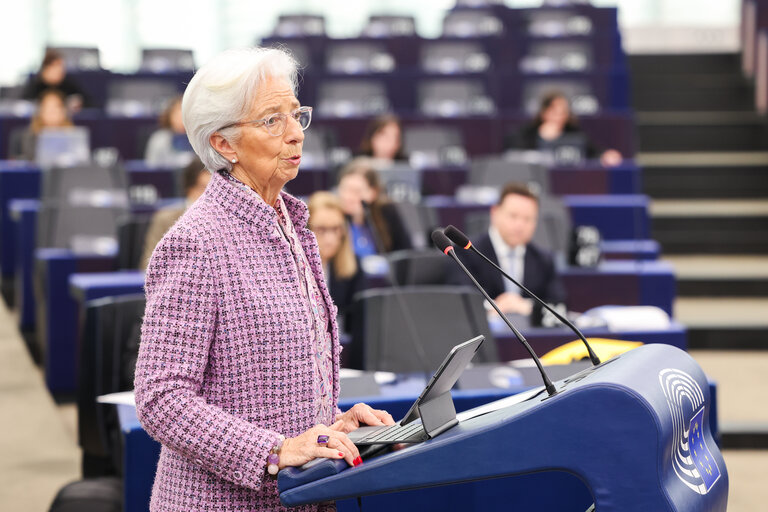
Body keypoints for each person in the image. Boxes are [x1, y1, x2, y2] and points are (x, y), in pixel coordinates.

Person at [134, 47, 394, 511]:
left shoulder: (290, 224)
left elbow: (270, 392)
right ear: (224, 144)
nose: (296, 134)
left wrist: (333, 423)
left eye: (296, 115)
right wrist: (276, 451)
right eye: (272, 121)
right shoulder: (197, 242)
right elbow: (160, 399)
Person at [448, 182, 566, 316]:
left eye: (527, 219)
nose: (519, 225)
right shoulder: (467, 252)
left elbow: (559, 305)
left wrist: (527, 306)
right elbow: (462, 301)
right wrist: (496, 306)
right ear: (495, 213)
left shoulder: (543, 259)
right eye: (513, 216)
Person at [509, 92, 623, 167]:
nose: (558, 117)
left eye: (563, 113)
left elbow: (593, 152)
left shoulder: (574, 133)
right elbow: (515, 155)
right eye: (554, 112)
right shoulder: (528, 133)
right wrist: (544, 137)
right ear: (544, 113)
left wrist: (605, 155)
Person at [139, 156, 211, 270]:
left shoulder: (228, 222)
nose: (210, 196)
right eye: (204, 188)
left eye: (214, 190)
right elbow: (149, 266)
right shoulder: (165, 220)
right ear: (189, 189)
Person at [307, 191, 364, 325]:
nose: (330, 238)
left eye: (336, 229)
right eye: (321, 229)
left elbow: (357, 322)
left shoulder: (354, 266)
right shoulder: (293, 267)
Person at [336, 160, 412, 256]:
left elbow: (406, 251)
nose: (348, 197)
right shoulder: (333, 216)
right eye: (344, 189)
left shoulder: (387, 211)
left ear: (373, 192)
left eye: (356, 191)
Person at [9, 89, 74, 161]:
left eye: (57, 107)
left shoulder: (73, 137)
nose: (52, 111)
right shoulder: (22, 137)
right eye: (47, 107)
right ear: (40, 111)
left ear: (64, 111)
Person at [22, 49, 89, 110]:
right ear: (45, 68)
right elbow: (23, 104)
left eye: (62, 67)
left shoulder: (69, 85)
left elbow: (87, 102)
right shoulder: (35, 86)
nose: (60, 70)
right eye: (55, 66)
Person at [144, 96, 195, 166]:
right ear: (170, 116)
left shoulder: (200, 139)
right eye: (177, 115)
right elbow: (151, 168)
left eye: (185, 115)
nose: (181, 120)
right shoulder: (159, 139)